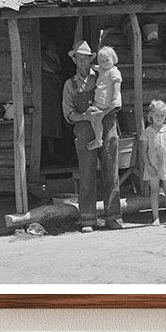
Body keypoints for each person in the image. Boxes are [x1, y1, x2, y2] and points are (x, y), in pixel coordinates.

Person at [62, 40, 124, 233]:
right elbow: (68, 113)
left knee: (111, 171)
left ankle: (113, 217)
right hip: (84, 130)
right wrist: (85, 116)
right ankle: (88, 219)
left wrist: (103, 113)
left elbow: (117, 99)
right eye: (79, 59)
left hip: (107, 126)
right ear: (75, 61)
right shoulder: (70, 85)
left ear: (91, 59)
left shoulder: (103, 73)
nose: (82, 62)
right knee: (87, 173)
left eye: (86, 59)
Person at [140, 99, 166, 226]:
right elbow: (143, 151)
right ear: (151, 115)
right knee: (155, 190)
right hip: (153, 164)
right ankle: (155, 217)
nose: (159, 117)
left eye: (162, 115)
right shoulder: (147, 132)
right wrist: (148, 165)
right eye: (156, 114)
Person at [86, 46, 122, 150]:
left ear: (113, 59)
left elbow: (116, 85)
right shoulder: (102, 69)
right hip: (101, 100)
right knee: (95, 119)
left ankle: (98, 140)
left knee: (96, 117)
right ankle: (98, 139)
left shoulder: (113, 71)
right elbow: (94, 66)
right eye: (102, 61)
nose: (105, 63)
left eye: (107, 60)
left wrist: (114, 99)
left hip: (107, 100)